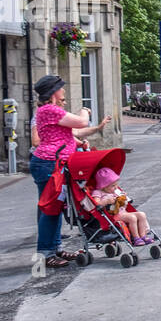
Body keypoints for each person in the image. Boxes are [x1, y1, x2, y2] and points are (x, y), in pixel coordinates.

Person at [31, 74, 110, 268]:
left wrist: (94, 130)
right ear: (53, 92)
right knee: (50, 209)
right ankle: (46, 253)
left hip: (56, 164)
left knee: (56, 208)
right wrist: (84, 110)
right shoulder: (49, 110)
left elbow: (74, 132)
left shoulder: (51, 110)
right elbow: (82, 122)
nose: (63, 91)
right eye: (61, 88)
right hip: (49, 164)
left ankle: (55, 247)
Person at [90, 167, 152, 246]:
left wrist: (123, 197)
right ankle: (136, 238)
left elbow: (124, 201)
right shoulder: (98, 192)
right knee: (132, 218)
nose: (116, 187)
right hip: (113, 215)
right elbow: (96, 203)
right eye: (113, 185)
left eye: (116, 184)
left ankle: (143, 235)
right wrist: (106, 201)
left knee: (142, 214)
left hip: (123, 212)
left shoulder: (115, 191)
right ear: (104, 186)